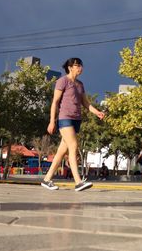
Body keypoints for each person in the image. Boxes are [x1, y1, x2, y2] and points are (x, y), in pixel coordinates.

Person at [40, 57, 105, 192]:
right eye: (77, 65)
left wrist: (97, 112)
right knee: (73, 145)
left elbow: (85, 103)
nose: (80, 68)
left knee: (61, 151)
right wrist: (52, 121)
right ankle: (78, 181)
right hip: (65, 118)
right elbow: (55, 102)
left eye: (81, 65)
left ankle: (46, 179)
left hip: (76, 120)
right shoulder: (62, 81)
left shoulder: (80, 84)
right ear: (70, 67)